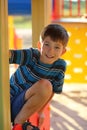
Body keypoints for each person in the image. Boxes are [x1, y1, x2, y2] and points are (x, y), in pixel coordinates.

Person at [9, 24, 69, 130]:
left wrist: (41, 111)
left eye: (57, 47)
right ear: (39, 45)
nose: (51, 51)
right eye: (47, 44)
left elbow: (52, 91)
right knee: (46, 85)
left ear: (63, 51)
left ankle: (19, 125)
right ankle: (20, 124)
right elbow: (8, 55)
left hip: (26, 109)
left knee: (47, 86)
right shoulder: (31, 55)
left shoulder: (60, 67)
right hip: (9, 102)